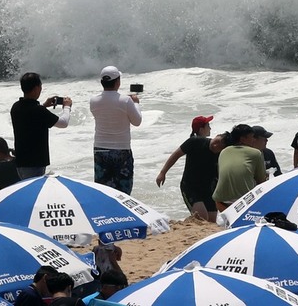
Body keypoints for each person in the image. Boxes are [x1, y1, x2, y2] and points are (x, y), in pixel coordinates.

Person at [155, 115, 219, 222]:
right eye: (208, 125)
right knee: (202, 217)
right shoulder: (193, 142)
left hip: (208, 187)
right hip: (191, 187)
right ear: (201, 129)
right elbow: (176, 155)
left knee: (212, 221)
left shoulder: (214, 146)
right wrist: (162, 172)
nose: (210, 128)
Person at [89, 66, 142, 194]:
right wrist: (135, 103)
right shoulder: (125, 101)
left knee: (104, 191)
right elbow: (137, 121)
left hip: (100, 149)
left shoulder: (93, 101)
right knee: (123, 193)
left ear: (102, 82)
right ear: (117, 82)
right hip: (121, 150)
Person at [10, 73, 72, 179]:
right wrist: (67, 107)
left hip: (21, 161)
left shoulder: (16, 107)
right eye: (40, 86)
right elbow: (63, 123)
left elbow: (30, 116)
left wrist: (43, 105)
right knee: (34, 193)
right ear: (36, 88)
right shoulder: (38, 110)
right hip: (35, 162)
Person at [213, 124, 267, 212]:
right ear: (242, 139)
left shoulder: (224, 151)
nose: (254, 140)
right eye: (252, 137)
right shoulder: (256, 153)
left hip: (220, 201)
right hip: (242, 201)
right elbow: (261, 181)